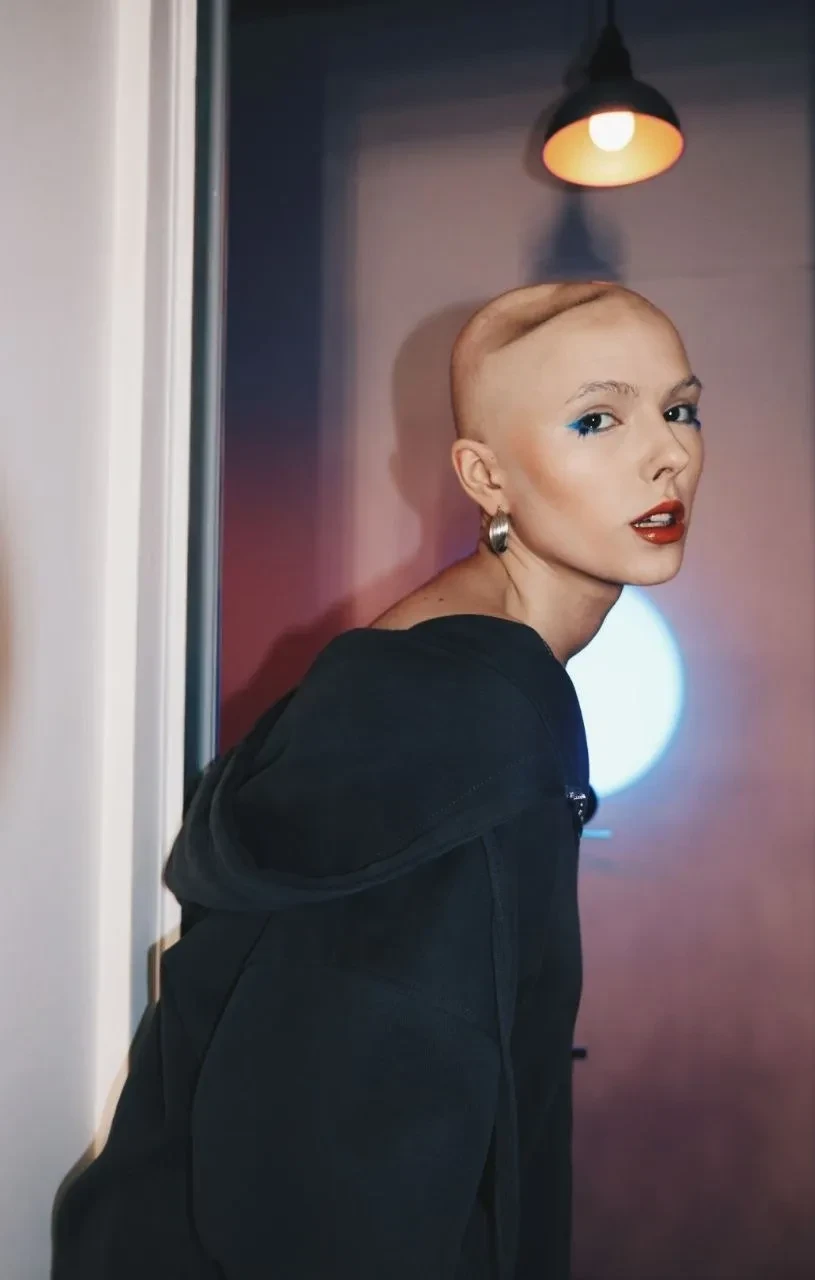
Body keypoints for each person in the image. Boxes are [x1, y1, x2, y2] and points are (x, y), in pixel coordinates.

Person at [53, 279, 704, 1279]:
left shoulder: (428, 664)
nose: (666, 454)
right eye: (596, 419)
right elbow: (352, 1163)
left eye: (680, 409)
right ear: (484, 475)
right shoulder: (476, 708)